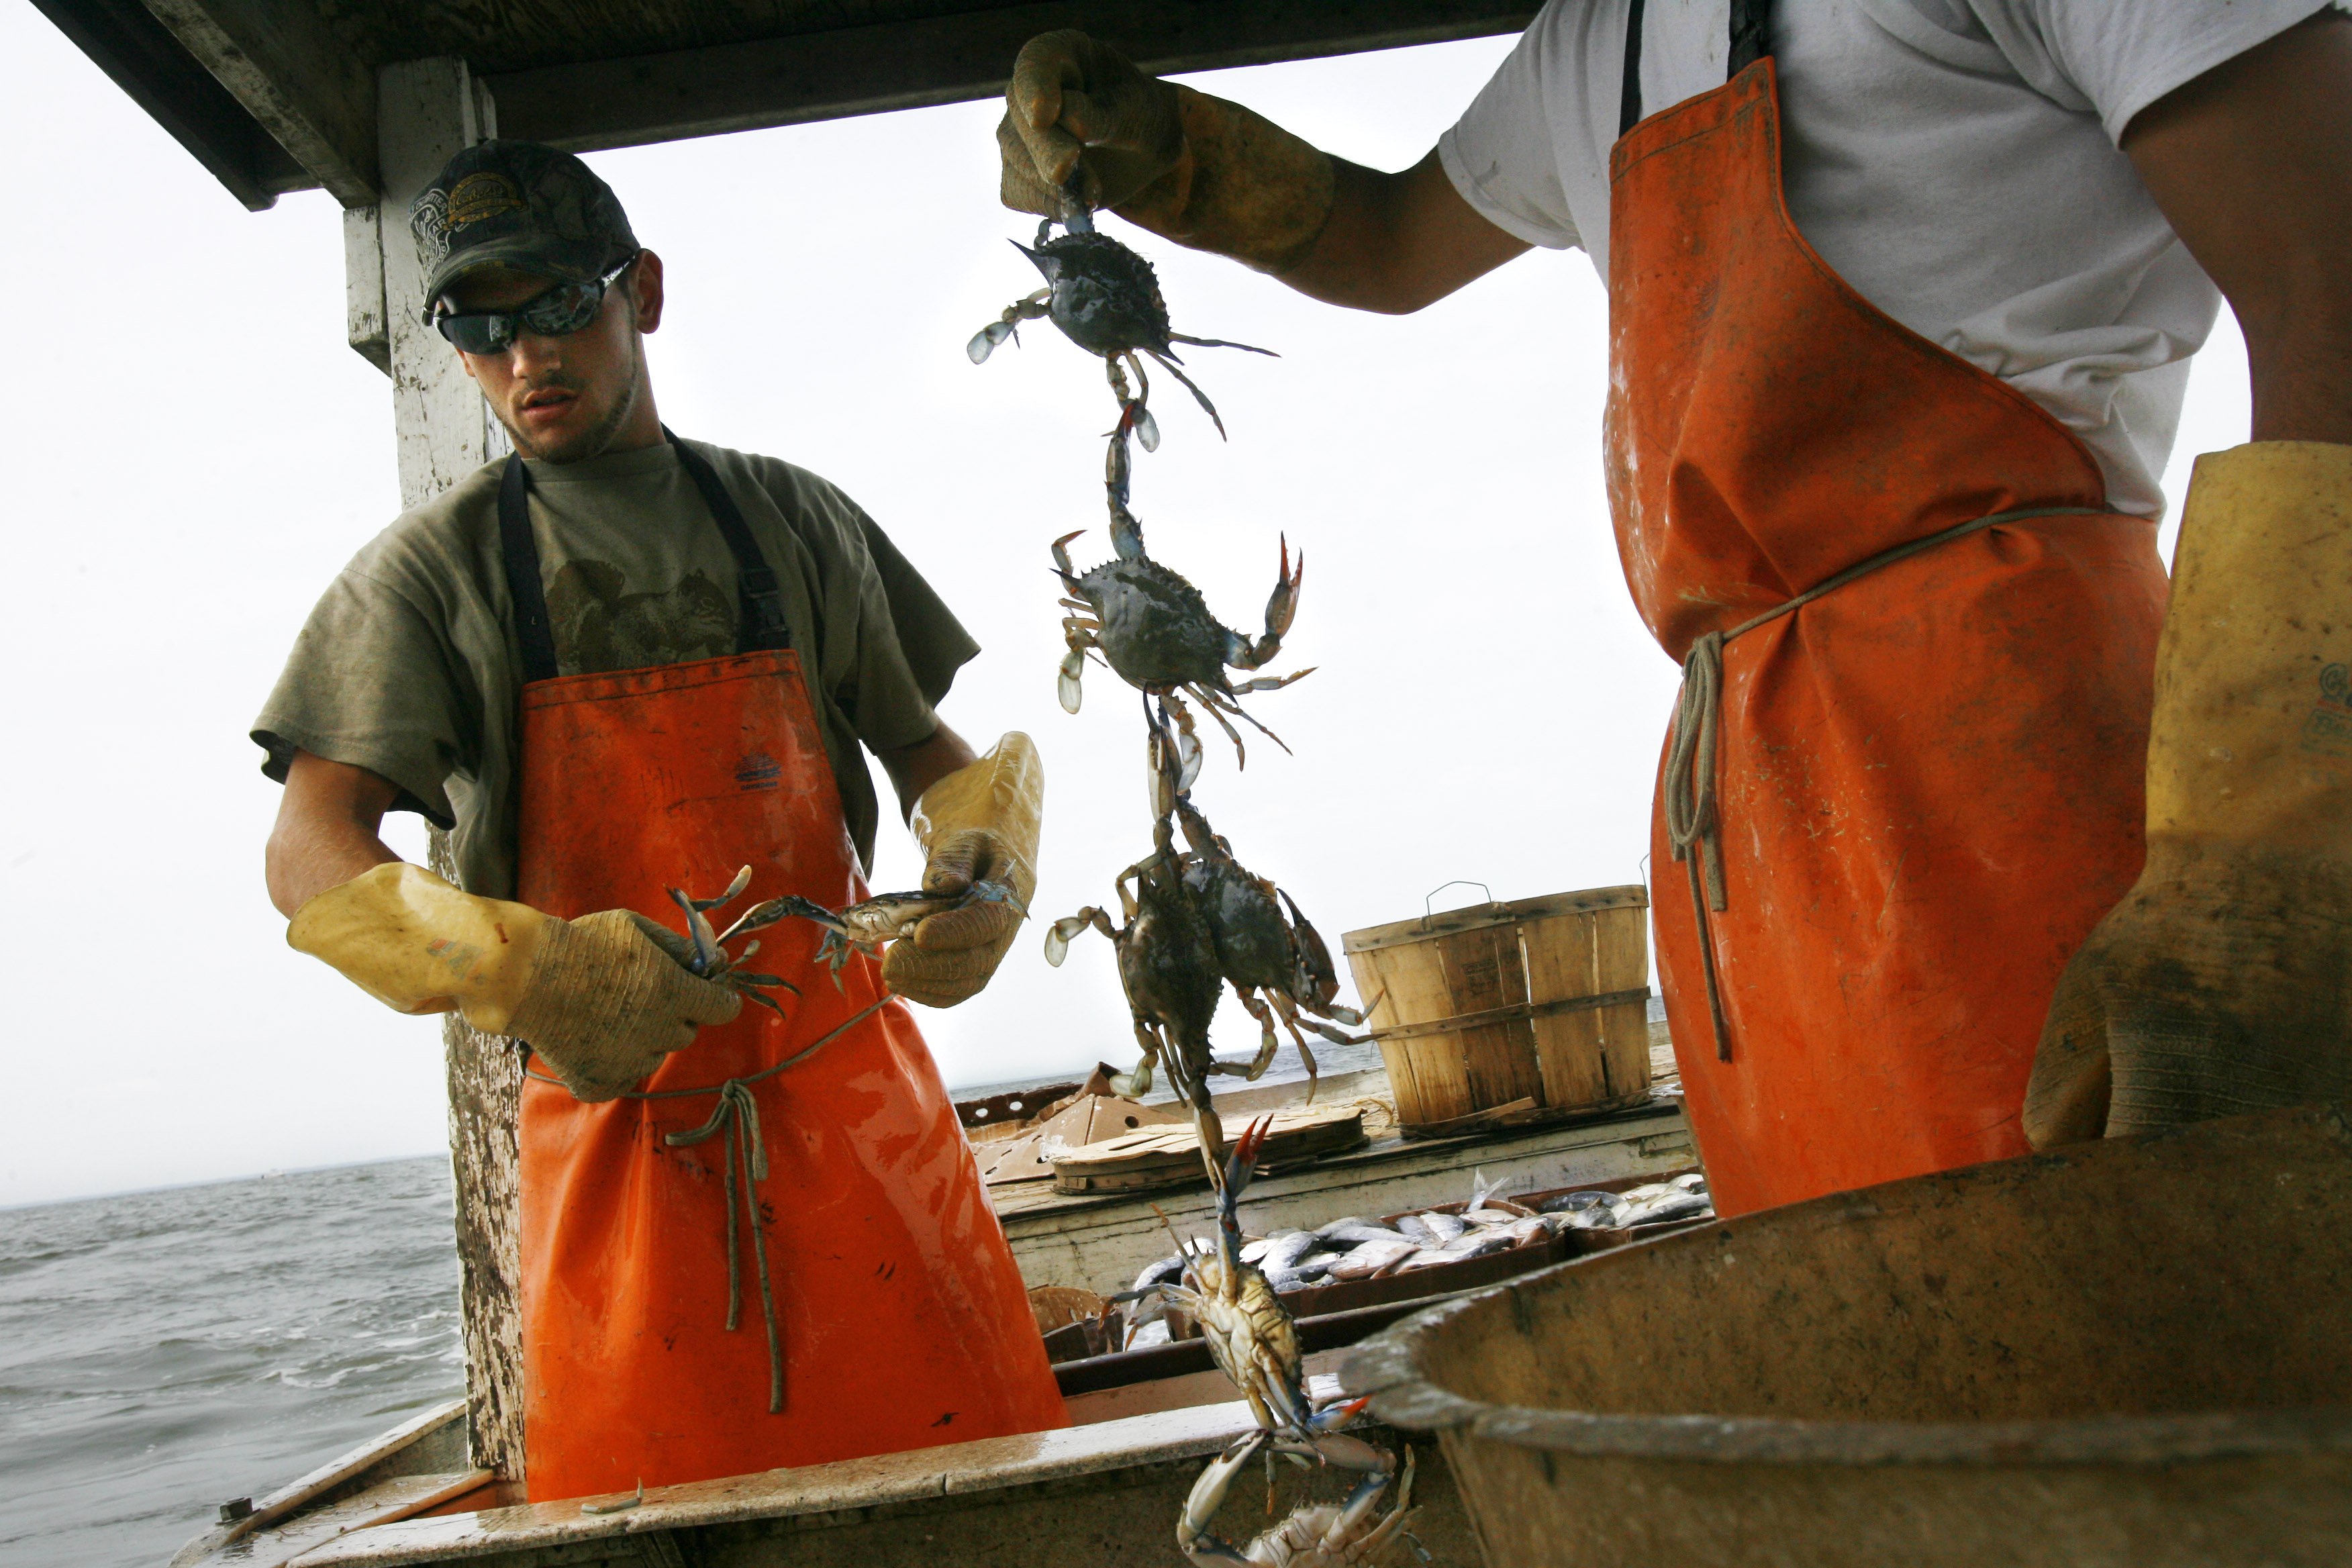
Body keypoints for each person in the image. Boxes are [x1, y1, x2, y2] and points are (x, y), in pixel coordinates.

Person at [993, 3, 2352, 1214]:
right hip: (1746, 840)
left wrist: (2270, 847)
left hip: (2030, 773)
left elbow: (2330, 274)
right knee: (1850, 1402)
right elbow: (1390, 237)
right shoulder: (1603, 34)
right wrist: (1170, 155)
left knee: (2121, 1359)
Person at [256, 141, 1066, 1501]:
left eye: (562, 305)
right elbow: (307, 855)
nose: (527, 358)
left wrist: (987, 861)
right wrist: (532, 967)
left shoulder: (795, 518)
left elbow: (939, 763)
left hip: (871, 1135)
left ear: (644, 290)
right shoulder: (428, 576)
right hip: (623, 1159)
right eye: (479, 327)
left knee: (983, 1500)